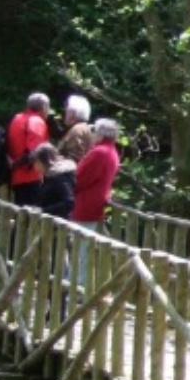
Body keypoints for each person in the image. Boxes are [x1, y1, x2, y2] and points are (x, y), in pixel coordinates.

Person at [70, 118, 121, 289]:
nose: (91, 134)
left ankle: (76, 286)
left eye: (93, 131)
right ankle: (79, 284)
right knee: (84, 248)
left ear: (100, 134)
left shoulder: (99, 153)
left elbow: (80, 178)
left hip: (86, 204)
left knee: (80, 249)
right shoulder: (112, 151)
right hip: (96, 203)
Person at [6, 93, 54, 208]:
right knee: (30, 219)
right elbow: (33, 153)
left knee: (20, 216)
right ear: (43, 107)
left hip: (16, 178)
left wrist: (13, 165)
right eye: (48, 107)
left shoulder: (17, 118)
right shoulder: (36, 121)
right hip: (31, 178)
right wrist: (15, 164)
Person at [28, 143, 76, 220]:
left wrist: (43, 211)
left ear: (47, 161)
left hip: (58, 225)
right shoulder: (48, 175)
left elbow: (69, 203)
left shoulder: (59, 177)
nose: (35, 167)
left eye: (38, 163)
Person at [56, 94, 93, 161]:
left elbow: (73, 159)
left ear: (73, 113)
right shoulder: (82, 128)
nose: (65, 112)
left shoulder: (77, 130)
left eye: (67, 110)